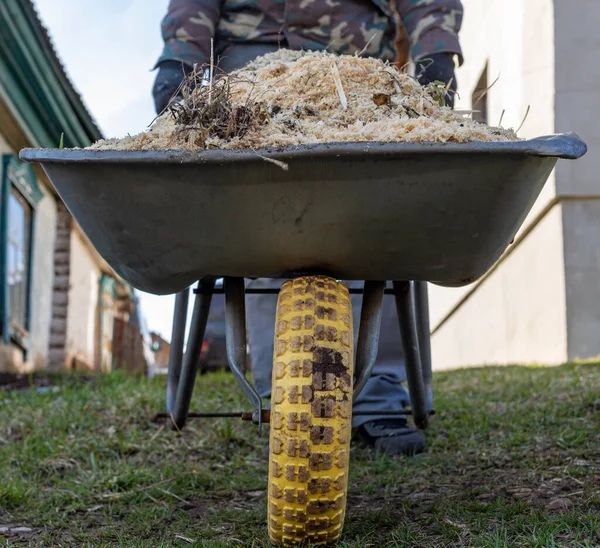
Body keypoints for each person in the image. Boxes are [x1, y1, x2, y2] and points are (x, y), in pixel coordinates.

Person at [152, 0, 463, 455]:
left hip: (357, 68)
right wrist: (179, 56)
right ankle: (286, 393)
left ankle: (376, 393)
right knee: (261, 221)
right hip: (249, 67)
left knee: (375, 223)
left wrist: (437, 47)